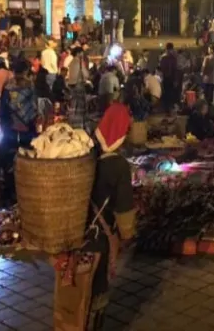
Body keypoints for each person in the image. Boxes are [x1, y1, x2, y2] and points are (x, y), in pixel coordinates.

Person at [81, 99, 136, 330]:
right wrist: (127, 234)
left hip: (78, 228)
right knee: (98, 281)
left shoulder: (87, 154)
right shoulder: (119, 165)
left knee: (78, 281)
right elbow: (124, 205)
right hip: (100, 235)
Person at [159, 43, 180, 113]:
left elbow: (162, 69)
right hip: (171, 78)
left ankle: (167, 109)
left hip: (167, 78)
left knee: (167, 93)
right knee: (170, 94)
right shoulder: (173, 58)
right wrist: (176, 80)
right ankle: (169, 109)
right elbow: (175, 69)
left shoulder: (164, 58)